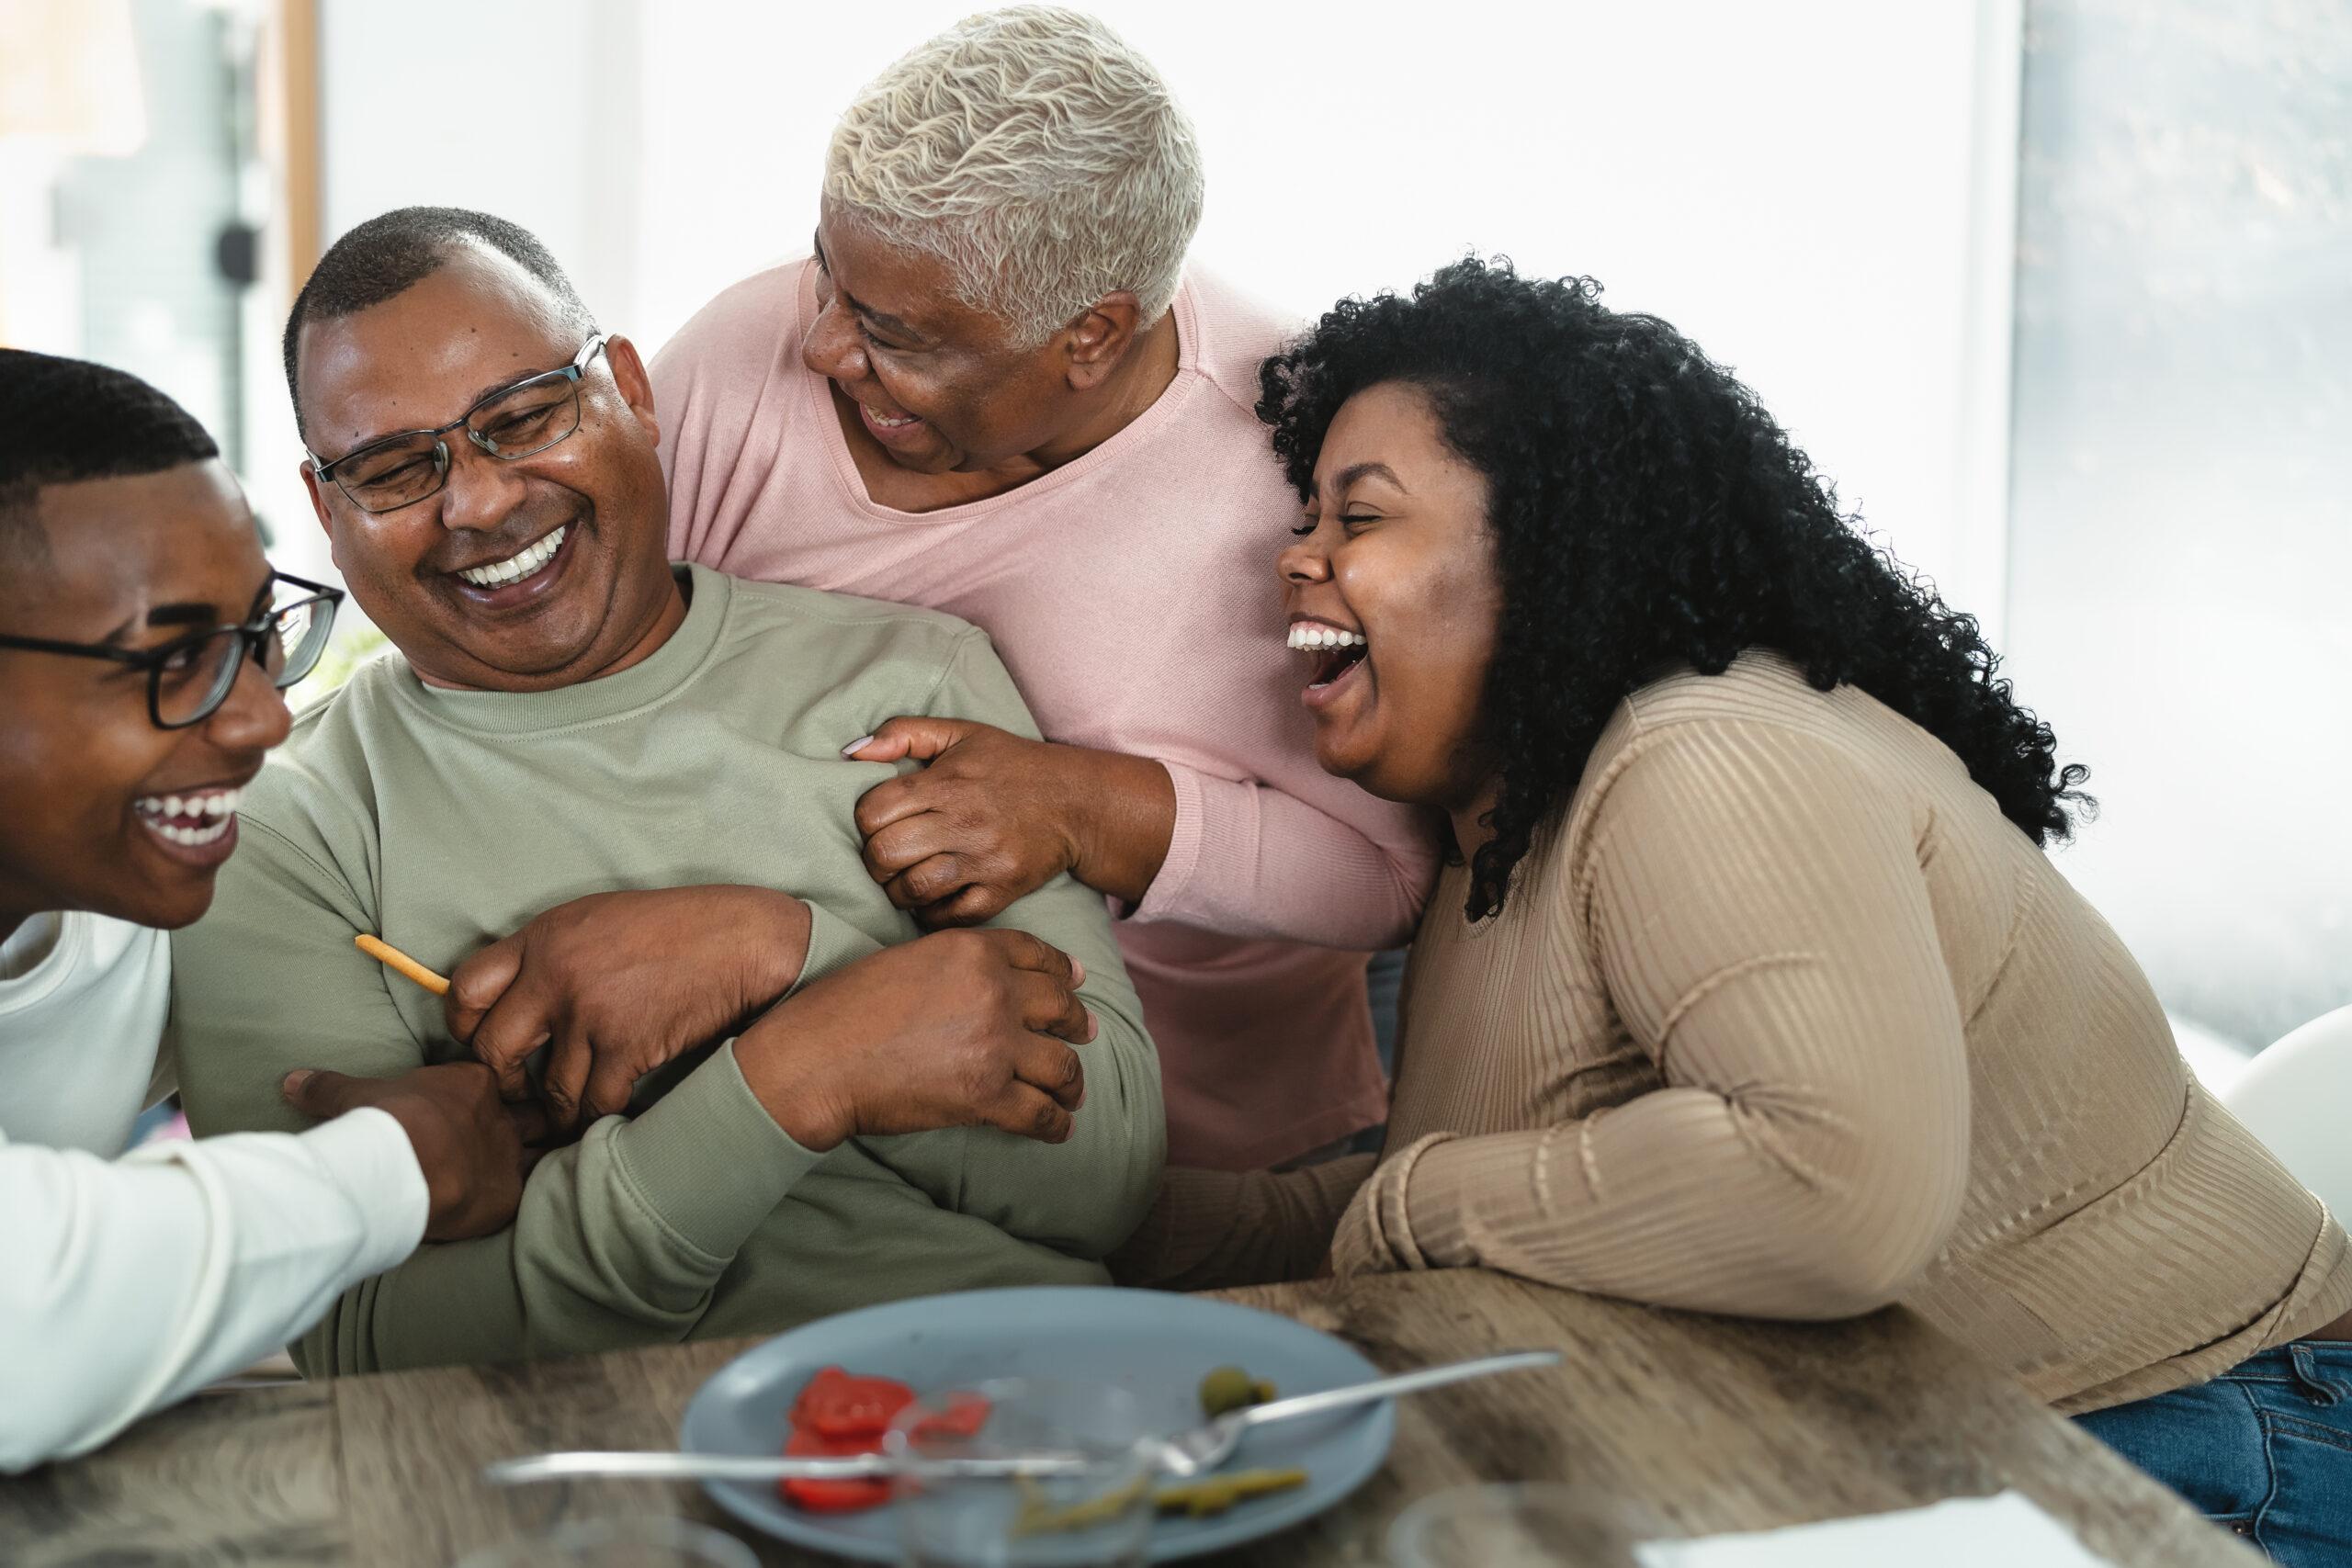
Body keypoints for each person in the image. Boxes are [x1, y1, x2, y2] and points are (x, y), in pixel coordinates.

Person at [1114, 260, 2352, 1565]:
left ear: (1543, 546)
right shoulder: (1511, 824)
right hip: (2004, 1435)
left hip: (2224, 1440)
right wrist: (1119, 1223)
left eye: (1357, 516)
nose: (1296, 554)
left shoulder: (1698, 755)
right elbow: (1524, 1193)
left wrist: (1409, 1200)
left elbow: (1831, 1186)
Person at [170, 207, 1163, 1377]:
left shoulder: (912, 677)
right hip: (572, 1480)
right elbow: (368, 1339)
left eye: (525, 416)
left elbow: (1104, 1178)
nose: (479, 503)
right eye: (393, 468)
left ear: (631, 394)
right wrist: (799, 1073)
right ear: (327, 510)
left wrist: (775, 950)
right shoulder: (285, 831)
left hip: (1020, 1418)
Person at [653, 6, 1435, 1171]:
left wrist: (1083, 810)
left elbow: (1387, 875)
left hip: (1196, 1127)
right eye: (827, 271)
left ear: (1092, 336)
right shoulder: (739, 356)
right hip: (810, 1100)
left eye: (891, 331)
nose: (818, 344)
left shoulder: (1305, 465)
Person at [0, 349, 533, 1470]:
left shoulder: (128, 886)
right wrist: (400, 1165)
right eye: (177, 656)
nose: (258, 722)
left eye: (258, 639)